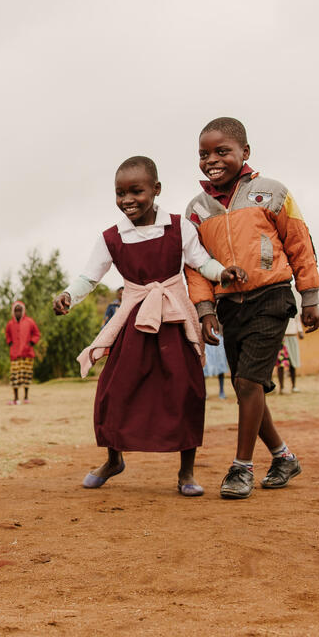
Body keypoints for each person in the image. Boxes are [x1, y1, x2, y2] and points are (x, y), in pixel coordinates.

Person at [54, 156, 243, 496]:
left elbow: (201, 261)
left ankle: (186, 473)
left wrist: (223, 272)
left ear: (156, 190)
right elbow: (90, 276)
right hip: (135, 324)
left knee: (186, 392)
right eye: (120, 193)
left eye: (136, 191)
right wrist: (69, 295)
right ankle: (114, 459)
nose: (127, 200)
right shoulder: (112, 237)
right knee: (113, 391)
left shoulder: (178, 227)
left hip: (173, 318)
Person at [186, 117, 319, 500]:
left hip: (272, 296)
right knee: (247, 386)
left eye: (222, 151)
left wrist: (309, 296)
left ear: (245, 153)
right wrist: (205, 309)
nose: (212, 159)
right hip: (229, 305)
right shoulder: (197, 209)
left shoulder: (272, 193)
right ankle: (283, 457)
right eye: (204, 154)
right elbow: (195, 266)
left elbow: (299, 243)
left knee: (248, 384)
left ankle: (241, 467)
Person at [4, 301, 39, 404]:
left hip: (27, 353)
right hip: (14, 354)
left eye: (20, 310)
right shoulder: (10, 324)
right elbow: (7, 335)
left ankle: (26, 397)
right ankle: (16, 398)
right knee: (15, 376)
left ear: (23, 311)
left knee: (26, 375)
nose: (18, 313)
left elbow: (37, 334)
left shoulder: (30, 322)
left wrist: (31, 343)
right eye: (16, 311)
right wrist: (9, 342)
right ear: (13, 312)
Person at [275, 318, 302, 394]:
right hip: (281, 337)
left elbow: (298, 319)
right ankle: (282, 388)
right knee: (281, 364)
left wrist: (300, 331)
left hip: (293, 337)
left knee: (293, 363)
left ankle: (294, 386)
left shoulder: (296, 307)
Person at [204, 334, 229, 399]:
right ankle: (204, 392)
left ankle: (222, 391)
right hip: (206, 337)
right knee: (204, 365)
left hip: (219, 338)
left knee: (220, 363)